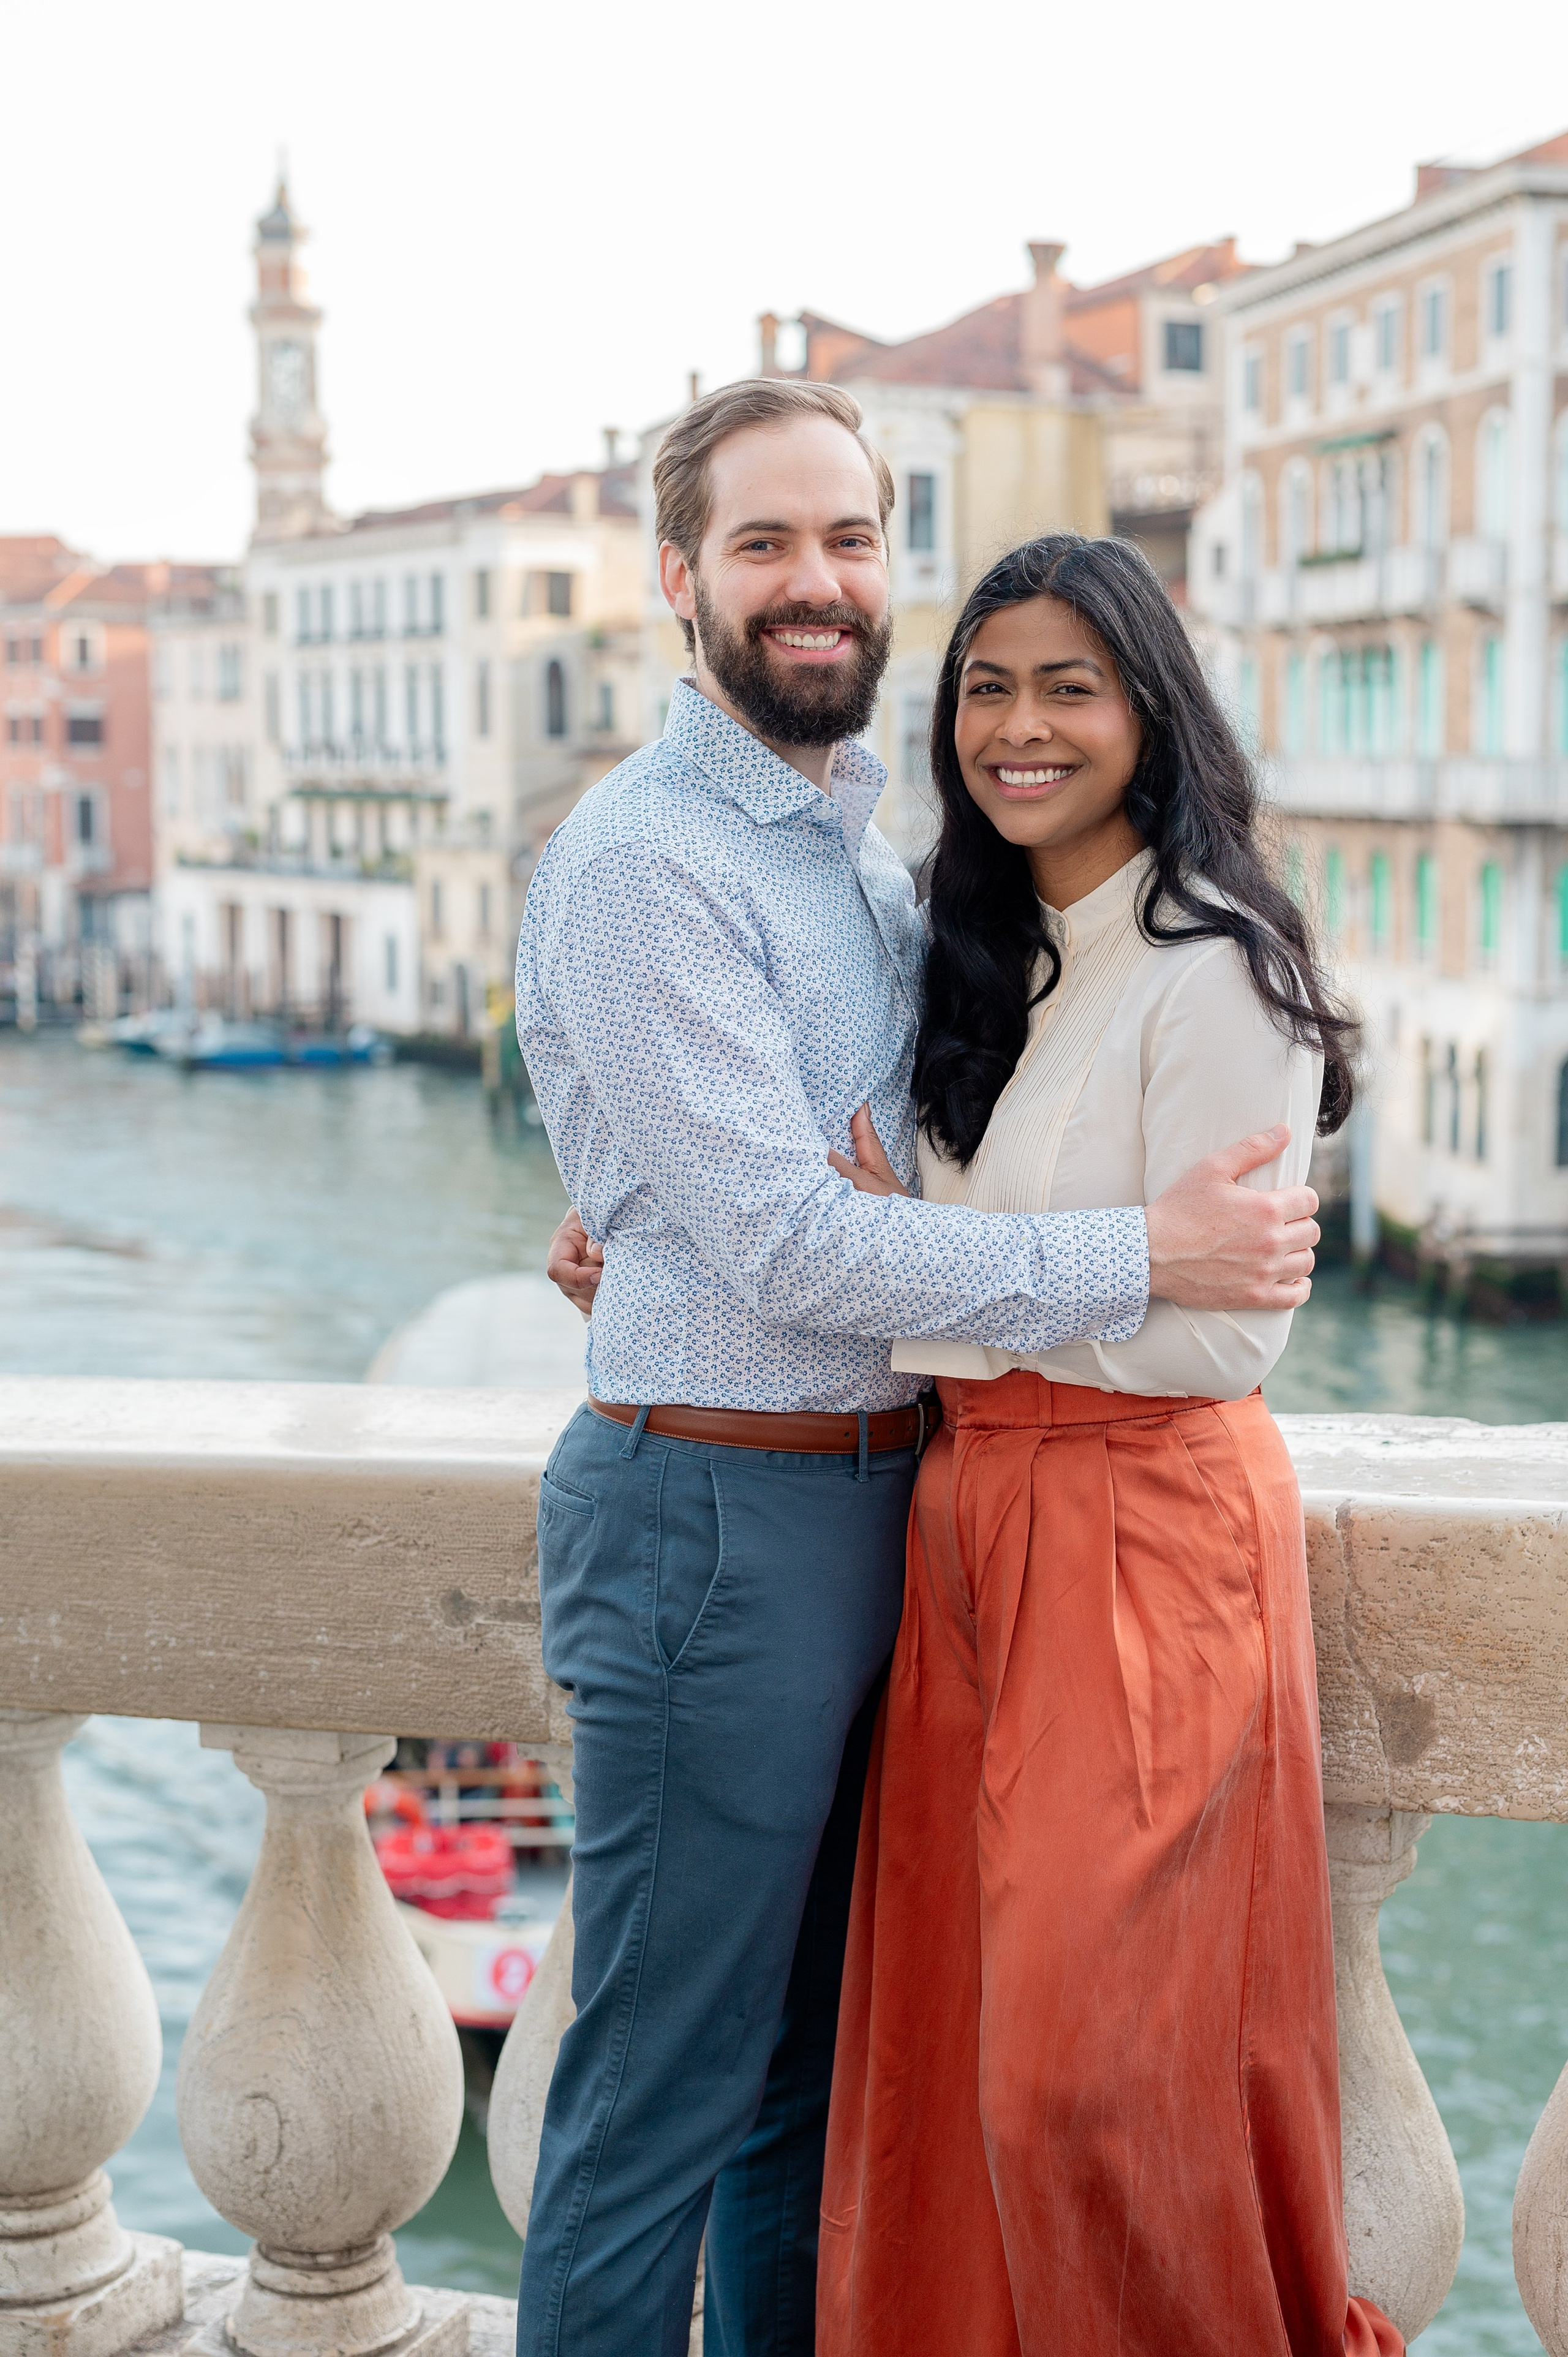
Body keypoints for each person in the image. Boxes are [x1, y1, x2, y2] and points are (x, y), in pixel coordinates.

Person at [515, 379, 1320, 2357]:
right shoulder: (647, 860)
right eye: (766, 543)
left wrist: (644, 1222)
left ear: (890, 571)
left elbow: (840, 1187)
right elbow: (791, 1237)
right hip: (722, 1515)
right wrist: (1144, 1250)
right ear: (680, 578)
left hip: (906, 1516)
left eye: (851, 542)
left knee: (823, 2094)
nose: (816, 584)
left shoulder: (878, 874)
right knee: (658, 2107)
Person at [813, 534, 1401, 2357]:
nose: (1020, 725)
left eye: (1069, 683)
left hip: (1146, 1539)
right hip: (968, 1524)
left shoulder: (1215, 970)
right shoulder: (973, 961)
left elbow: (1217, 1329)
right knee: (947, 2053)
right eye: (987, 685)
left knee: (1082, 2080)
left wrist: (923, 1283)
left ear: (1152, 707)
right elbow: (876, 1234)